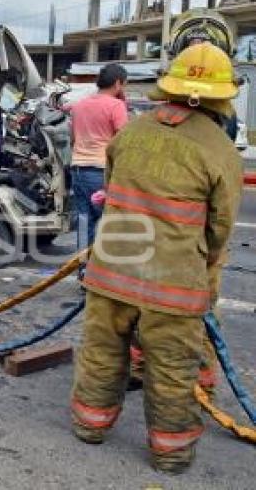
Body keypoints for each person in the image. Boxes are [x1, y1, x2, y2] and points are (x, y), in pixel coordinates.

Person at [70, 42, 242, 474]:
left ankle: (90, 426)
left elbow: (112, 194)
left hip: (110, 272)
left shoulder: (132, 132)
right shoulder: (219, 150)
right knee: (170, 368)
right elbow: (219, 229)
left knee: (102, 352)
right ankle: (171, 452)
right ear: (221, 97)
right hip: (173, 285)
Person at [66, 64, 129, 258]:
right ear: (118, 83)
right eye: (124, 84)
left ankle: (83, 268)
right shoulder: (116, 106)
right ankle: (98, 273)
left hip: (78, 170)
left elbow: (73, 139)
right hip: (101, 171)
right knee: (106, 223)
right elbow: (123, 141)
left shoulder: (79, 105)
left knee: (84, 222)